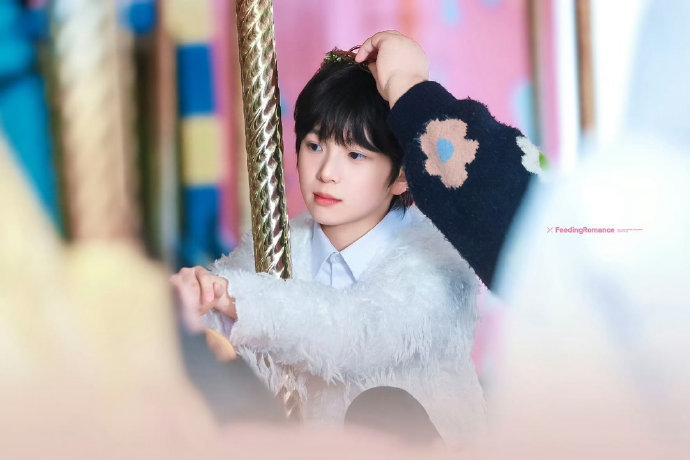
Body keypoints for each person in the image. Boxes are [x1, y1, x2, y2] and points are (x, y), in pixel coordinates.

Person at [171, 32, 538, 445]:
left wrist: (235, 297)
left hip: (416, 445)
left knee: (383, 405)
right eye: (314, 146)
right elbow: (226, 323)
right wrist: (197, 299)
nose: (327, 172)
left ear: (402, 176)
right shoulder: (277, 244)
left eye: (355, 155)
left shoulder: (437, 263)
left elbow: (355, 335)